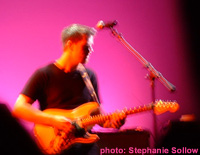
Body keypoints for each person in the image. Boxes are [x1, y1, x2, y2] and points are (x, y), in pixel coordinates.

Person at [12, 24, 126, 155]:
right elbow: (19, 108)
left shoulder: (89, 76)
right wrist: (53, 120)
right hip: (56, 145)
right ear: (70, 45)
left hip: (86, 147)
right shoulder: (44, 74)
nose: (91, 50)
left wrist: (114, 122)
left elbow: (98, 117)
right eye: (86, 46)